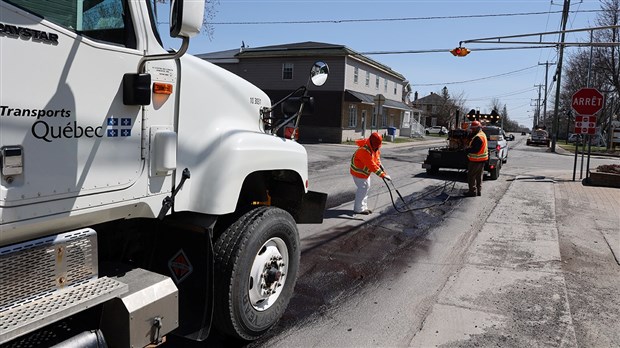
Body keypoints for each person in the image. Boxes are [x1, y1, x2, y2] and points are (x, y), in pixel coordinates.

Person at [350, 132, 391, 214]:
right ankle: (358, 209)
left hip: (365, 173)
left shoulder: (374, 147)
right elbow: (371, 165)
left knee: (366, 188)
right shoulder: (364, 151)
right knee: (363, 189)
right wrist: (383, 175)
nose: (377, 147)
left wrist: (380, 165)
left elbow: (377, 157)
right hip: (358, 173)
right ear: (372, 143)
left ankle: (363, 207)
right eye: (376, 145)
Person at [464, 121, 488, 197]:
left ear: (477, 128)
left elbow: (475, 150)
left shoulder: (478, 137)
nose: (472, 130)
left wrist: (466, 150)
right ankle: (479, 191)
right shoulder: (482, 134)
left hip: (476, 160)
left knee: (471, 176)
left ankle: (472, 191)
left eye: (473, 129)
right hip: (482, 159)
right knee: (479, 176)